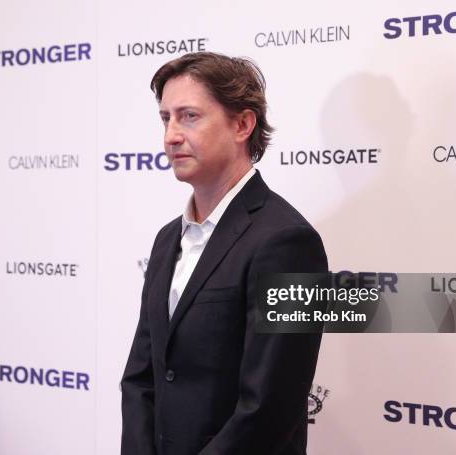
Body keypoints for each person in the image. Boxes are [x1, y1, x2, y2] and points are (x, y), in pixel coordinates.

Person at [121, 52, 328, 455]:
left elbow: (271, 409)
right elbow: (141, 379)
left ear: (242, 124)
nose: (171, 135)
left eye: (189, 116)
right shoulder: (167, 240)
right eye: (166, 118)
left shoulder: (289, 242)